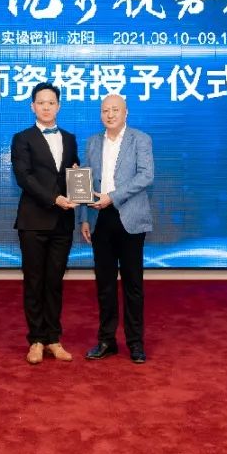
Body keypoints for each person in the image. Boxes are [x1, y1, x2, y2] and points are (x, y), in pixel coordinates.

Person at [78, 94, 154, 364]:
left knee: (133, 284)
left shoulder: (140, 139)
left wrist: (113, 196)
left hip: (129, 217)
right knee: (105, 284)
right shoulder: (92, 142)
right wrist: (84, 218)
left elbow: (146, 175)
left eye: (115, 110)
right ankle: (106, 341)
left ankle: (135, 343)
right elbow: (85, 182)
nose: (109, 115)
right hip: (99, 218)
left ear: (126, 112)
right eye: (105, 110)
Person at [11, 82, 79, 365]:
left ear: (58, 106)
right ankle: (36, 340)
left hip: (62, 223)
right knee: (34, 281)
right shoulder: (22, 138)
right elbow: (24, 177)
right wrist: (54, 199)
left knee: (54, 282)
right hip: (34, 221)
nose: (46, 107)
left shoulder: (70, 138)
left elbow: (73, 172)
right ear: (33, 107)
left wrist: (78, 183)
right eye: (41, 102)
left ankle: (53, 339)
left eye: (51, 102)